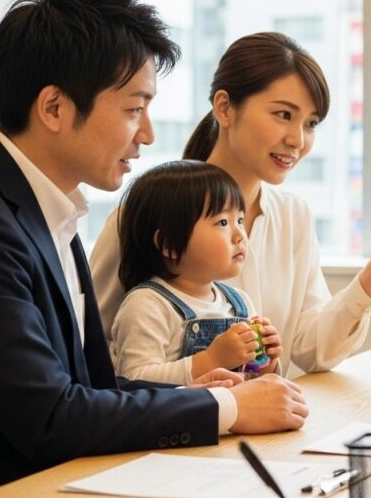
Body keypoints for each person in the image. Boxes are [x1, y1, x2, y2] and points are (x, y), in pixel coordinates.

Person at [0, 0, 308, 493]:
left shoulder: (51, 212)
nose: (148, 134)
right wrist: (224, 407)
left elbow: (91, 387)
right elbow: (49, 417)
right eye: (134, 109)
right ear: (54, 108)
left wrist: (199, 389)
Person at [91, 32, 371, 377]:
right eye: (283, 115)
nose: (297, 140)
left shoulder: (293, 216)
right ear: (225, 108)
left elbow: (312, 350)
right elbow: (93, 347)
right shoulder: (145, 211)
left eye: (310, 124)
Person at [113, 160, 282, 385]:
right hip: (183, 421)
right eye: (222, 222)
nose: (240, 234)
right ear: (169, 244)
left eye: (240, 220)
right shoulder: (147, 304)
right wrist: (212, 359)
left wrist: (265, 363)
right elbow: (134, 380)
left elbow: (253, 380)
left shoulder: (239, 301)